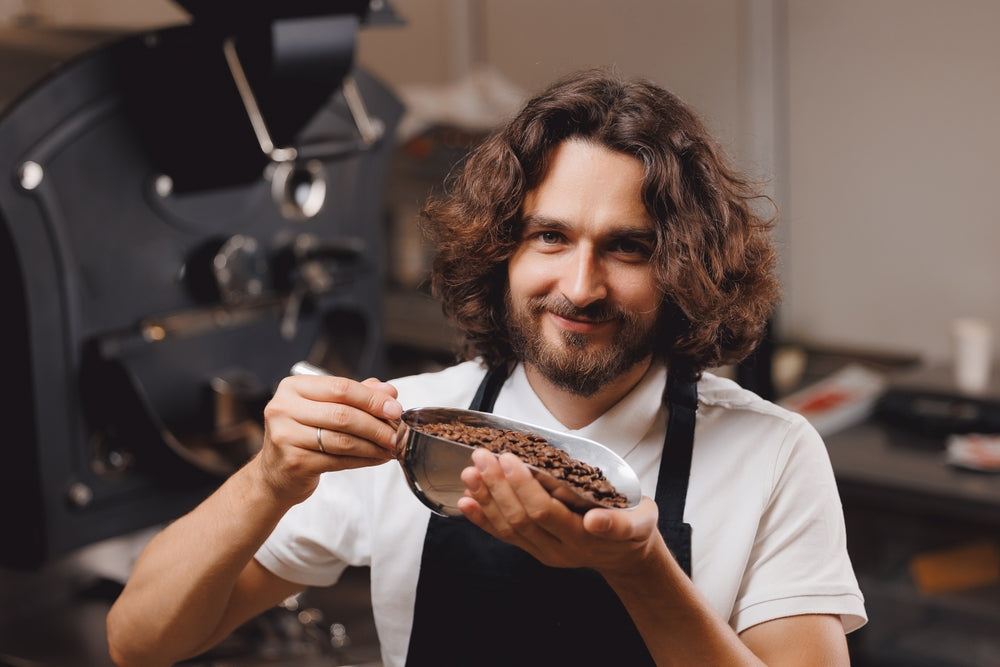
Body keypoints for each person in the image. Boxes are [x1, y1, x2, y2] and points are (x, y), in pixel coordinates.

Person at [106, 67, 866, 666]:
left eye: (628, 247)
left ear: (686, 267)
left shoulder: (773, 453)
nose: (580, 285)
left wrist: (639, 570)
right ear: (502, 249)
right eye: (550, 237)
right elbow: (140, 640)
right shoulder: (413, 426)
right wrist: (268, 478)